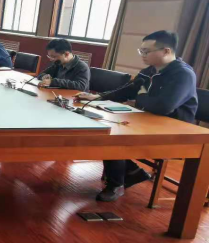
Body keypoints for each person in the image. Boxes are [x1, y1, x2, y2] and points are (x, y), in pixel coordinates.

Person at [76, 31, 198, 202]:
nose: (142, 55)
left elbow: (164, 107)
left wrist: (140, 98)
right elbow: (128, 90)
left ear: (166, 51)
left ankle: (117, 183)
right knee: (105, 129)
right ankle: (131, 172)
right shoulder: (149, 71)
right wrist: (98, 97)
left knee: (114, 138)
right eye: (141, 51)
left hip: (174, 130)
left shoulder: (183, 74)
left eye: (146, 51)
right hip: (148, 120)